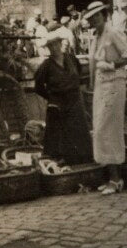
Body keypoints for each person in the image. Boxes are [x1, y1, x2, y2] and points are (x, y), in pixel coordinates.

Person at [85, 1, 127, 195]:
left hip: (114, 84)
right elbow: (93, 63)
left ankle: (116, 179)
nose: (94, 19)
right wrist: (90, 84)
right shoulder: (95, 37)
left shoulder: (113, 33)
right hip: (101, 85)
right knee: (99, 129)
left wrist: (111, 65)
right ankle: (111, 177)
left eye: (97, 16)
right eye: (91, 17)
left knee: (108, 128)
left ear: (104, 16)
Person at [33, 31, 93, 165]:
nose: (54, 48)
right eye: (50, 46)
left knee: (79, 133)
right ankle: (60, 164)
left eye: (56, 44)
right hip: (58, 105)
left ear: (60, 43)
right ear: (48, 48)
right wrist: (51, 97)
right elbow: (38, 87)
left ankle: (82, 163)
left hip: (75, 102)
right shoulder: (47, 65)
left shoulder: (71, 59)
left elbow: (79, 74)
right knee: (59, 138)